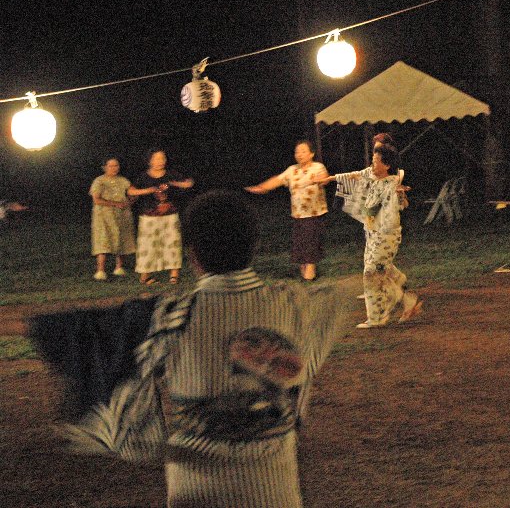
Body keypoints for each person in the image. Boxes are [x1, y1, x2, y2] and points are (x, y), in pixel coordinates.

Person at [64, 190, 352, 508]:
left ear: (192, 254)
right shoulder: (295, 303)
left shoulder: (169, 316)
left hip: (195, 492)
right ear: (254, 246)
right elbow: (342, 297)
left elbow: (135, 434)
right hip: (274, 493)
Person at [319, 144, 422, 328]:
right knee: (381, 271)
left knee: (371, 273)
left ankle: (378, 317)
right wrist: (330, 178)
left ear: (387, 165)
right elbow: (356, 174)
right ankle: (405, 298)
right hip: (373, 234)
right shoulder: (373, 175)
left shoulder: (390, 184)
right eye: (372, 161)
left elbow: (396, 202)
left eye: (376, 162)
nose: (372, 165)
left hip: (386, 236)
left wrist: (399, 196)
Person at [245, 140, 329, 281]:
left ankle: (310, 272)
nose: (299, 154)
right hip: (297, 215)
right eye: (297, 152)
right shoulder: (292, 170)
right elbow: (277, 180)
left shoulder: (317, 167)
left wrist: (321, 179)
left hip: (314, 214)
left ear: (311, 153)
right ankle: (305, 271)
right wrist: (261, 188)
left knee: (311, 242)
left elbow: (325, 178)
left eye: (303, 151)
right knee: (300, 243)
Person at [127, 149, 193, 285]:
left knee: (172, 243)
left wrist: (176, 184)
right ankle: (145, 276)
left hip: (169, 216)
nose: (160, 161)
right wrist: (148, 190)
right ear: (149, 160)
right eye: (156, 159)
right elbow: (131, 190)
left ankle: (174, 275)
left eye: (162, 158)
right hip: (149, 217)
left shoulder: (171, 174)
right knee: (148, 246)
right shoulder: (143, 177)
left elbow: (189, 183)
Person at [89, 157, 136, 280]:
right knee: (103, 240)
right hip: (104, 215)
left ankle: (119, 267)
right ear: (105, 167)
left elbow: (133, 192)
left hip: (121, 214)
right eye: (111, 166)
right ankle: (100, 270)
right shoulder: (99, 181)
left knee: (122, 238)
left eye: (116, 166)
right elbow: (96, 199)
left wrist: (131, 201)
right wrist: (114, 204)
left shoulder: (123, 180)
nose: (114, 168)